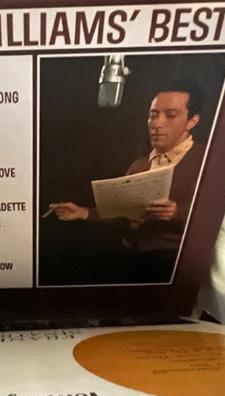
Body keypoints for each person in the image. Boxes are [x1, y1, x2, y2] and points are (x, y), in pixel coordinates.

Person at [48, 80, 206, 283]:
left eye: (171, 115)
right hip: (130, 257)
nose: (157, 124)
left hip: (172, 264)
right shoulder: (139, 165)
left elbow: (216, 219)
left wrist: (177, 213)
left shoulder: (207, 161)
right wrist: (83, 212)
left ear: (192, 121)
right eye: (153, 115)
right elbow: (119, 211)